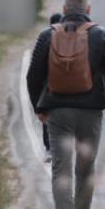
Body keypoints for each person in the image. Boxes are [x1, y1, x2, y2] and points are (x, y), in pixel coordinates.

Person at [26, 0, 105, 209]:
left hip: (58, 113)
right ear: (88, 10)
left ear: (64, 8)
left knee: (61, 171)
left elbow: (32, 75)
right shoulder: (102, 35)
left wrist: (39, 106)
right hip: (91, 114)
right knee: (85, 171)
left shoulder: (47, 36)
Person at [42, 12, 63, 164]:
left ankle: (49, 148)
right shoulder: (73, 40)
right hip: (67, 88)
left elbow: (36, 70)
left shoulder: (44, 40)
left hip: (48, 87)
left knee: (46, 118)